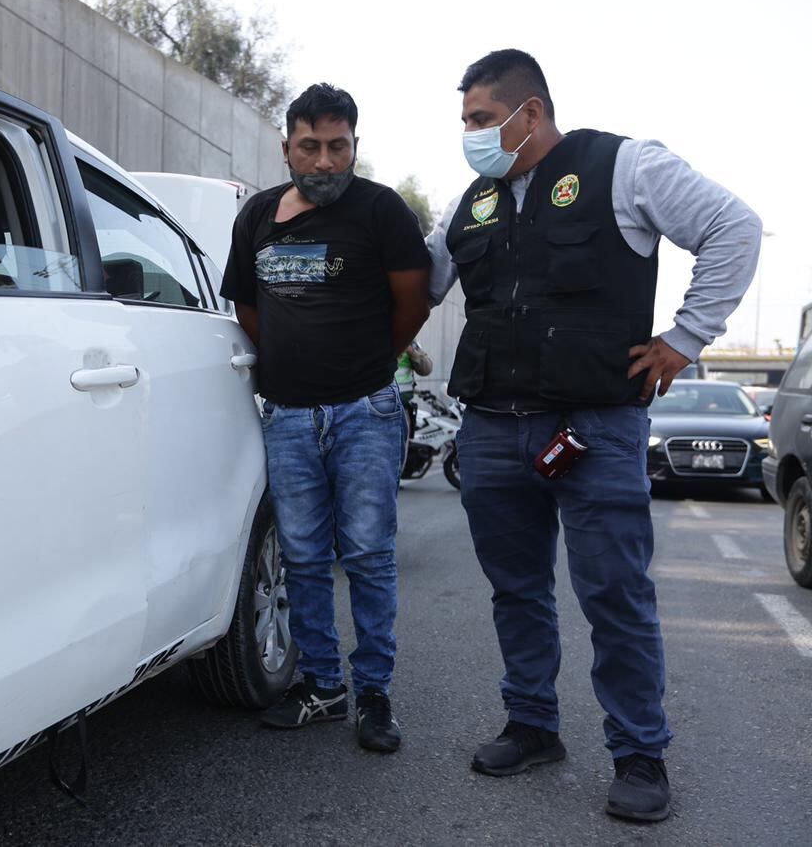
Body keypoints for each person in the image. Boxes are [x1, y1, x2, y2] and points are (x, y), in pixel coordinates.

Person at [427, 50, 762, 821]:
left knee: (615, 596)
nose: (472, 136)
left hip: (595, 426)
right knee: (516, 592)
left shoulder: (625, 166)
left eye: (482, 120)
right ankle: (532, 724)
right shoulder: (470, 201)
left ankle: (640, 752)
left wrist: (686, 338)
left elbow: (732, 227)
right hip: (491, 427)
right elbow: (420, 277)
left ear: (530, 113)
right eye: (467, 122)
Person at [220, 83, 431, 752]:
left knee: (367, 557)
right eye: (309, 147)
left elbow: (412, 305)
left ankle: (373, 694)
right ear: (286, 149)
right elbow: (248, 310)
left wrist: (366, 363)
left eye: (337, 147)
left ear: (354, 147)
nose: (324, 161)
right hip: (286, 417)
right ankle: (321, 686)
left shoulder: (381, 211)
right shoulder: (255, 217)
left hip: (365, 412)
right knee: (305, 558)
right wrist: (292, 364)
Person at [396, 340, 434, 432]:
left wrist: (411, 351)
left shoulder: (409, 339)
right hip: (375, 407)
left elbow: (426, 369)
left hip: (402, 408)